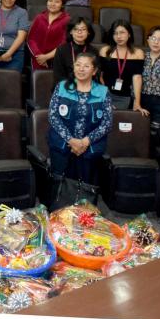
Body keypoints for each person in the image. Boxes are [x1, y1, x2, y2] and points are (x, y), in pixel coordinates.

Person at [47, 53, 111, 208]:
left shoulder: (103, 92)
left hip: (89, 148)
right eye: (78, 65)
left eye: (86, 66)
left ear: (94, 71)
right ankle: (58, 216)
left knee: (86, 189)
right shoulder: (62, 87)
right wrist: (71, 140)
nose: (81, 69)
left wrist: (85, 142)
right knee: (59, 186)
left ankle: (84, 218)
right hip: (63, 146)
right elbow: (53, 116)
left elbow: (107, 123)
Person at [98, 21, 146, 111]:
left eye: (122, 32)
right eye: (115, 33)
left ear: (129, 34)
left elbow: (137, 78)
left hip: (126, 96)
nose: (118, 36)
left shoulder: (138, 53)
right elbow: (100, 76)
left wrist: (137, 102)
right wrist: (105, 97)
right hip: (106, 95)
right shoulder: (105, 51)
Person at [28, 0, 72, 70]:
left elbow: (64, 43)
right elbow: (31, 40)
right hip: (38, 60)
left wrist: (46, 57)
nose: (52, 4)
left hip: (57, 60)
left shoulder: (67, 20)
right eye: (50, 0)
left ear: (62, 4)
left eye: (57, 2)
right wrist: (39, 56)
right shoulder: (39, 18)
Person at [52, 18, 96, 84]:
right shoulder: (61, 50)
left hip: (87, 86)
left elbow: (95, 75)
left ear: (88, 32)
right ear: (71, 32)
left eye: (83, 29)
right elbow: (58, 76)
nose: (79, 32)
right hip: (65, 86)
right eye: (75, 29)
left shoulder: (93, 51)